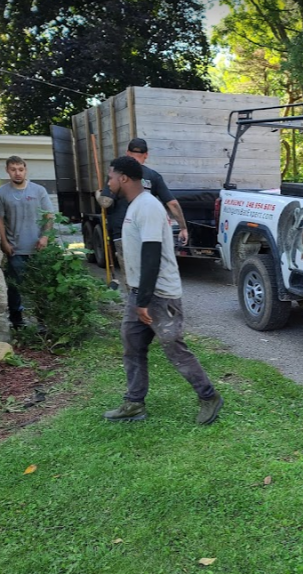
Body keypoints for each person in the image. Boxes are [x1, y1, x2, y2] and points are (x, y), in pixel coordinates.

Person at [103, 156, 223, 425]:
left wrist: (143, 300)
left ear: (123, 178)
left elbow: (151, 255)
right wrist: (137, 297)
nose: (108, 183)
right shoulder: (135, 206)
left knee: (174, 348)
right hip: (141, 293)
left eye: (111, 177)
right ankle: (134, 403)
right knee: (132, 346)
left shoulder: (148, 206)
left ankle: (209, 396)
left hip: (159, 295)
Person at [97, 138, 189, 284]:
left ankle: (137, 303)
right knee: (151, 272)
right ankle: (150, 300)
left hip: (122, 233)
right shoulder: (153, 176)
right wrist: (183, 228)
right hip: (147, 232)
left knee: (132, 278)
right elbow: (172, 204)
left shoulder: (118, 175)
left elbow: (105, 202)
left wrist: (98, 194)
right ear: (146, 155)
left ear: (127, 153)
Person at [0, 156, 54, 328]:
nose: (17, 173)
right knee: (15, 288)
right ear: (7, 170)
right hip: (15, 249)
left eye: (20, 169)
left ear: (25, 170)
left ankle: (43, 323)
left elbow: (49, 215)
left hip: (38, 248)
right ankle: (17, 322)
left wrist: (45, 236)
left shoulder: (39, 190)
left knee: (41, 287)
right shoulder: (1, 193)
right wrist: (4, 242)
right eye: (13, 169)